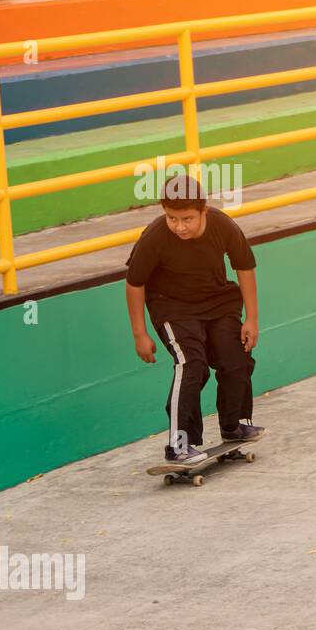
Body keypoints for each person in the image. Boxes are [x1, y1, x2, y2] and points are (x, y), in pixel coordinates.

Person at [125, 173, 263, 464]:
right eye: (172, 218)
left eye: (187, 219)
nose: (179, 227)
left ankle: (234, 425)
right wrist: (140, 333)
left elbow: (244, 266)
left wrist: (252, 318)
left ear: (204, 211)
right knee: (192, 364)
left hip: (217, 302)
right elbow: (135, 283)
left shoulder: (222, 225)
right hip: (172, 308)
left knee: (236, 357)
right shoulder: (155, 237)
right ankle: (180, 444)